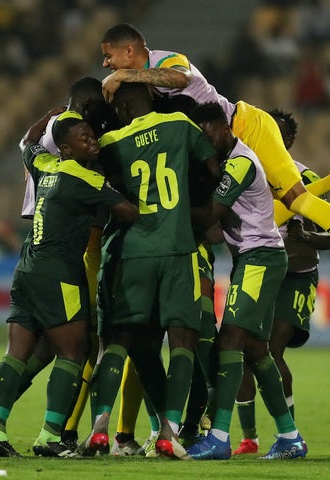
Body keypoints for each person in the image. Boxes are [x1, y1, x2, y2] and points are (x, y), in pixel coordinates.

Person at [99, 23, 330, 304]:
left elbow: (181, 78)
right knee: (266, 215)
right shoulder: (146, 86)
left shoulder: (165, 60)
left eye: (108, 56)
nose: (106, 64)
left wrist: (126, 76)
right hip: (225, 148)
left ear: (128, 51)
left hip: (246, 127)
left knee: (296, 200)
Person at [0, 108, 138, 458]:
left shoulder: (45, 167)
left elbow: (28, 142)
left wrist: (52, 114)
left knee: (16, 354)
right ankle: (49, 436)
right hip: (60, 275)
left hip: (26, 270)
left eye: (92, 135)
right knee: (73, 354)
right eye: (84, 137)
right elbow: (129, 213)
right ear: (65, 147)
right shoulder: (88, 181)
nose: (92, 141)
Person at [76, 82, 219, 460]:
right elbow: (212, 168)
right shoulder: (179, 125)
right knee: (183, 341)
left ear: (121, 108)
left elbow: (100, 189)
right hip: (178, 248)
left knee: (117, 341)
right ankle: (168, 433)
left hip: (130, 251)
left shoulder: (109, 144)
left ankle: (100, 431)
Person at [186, 102, 306, 460]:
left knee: (229, 341)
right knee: (256, 350)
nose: (205, 141)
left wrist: (165, 208)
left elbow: (211, 215)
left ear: (225, 128)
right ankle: (290, 438)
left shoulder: (240, 162)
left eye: (208, 132)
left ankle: (219, 437)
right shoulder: (227, 161)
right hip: (251, 257)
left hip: (260, 258)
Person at [233, 109, 330, 455]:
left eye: (277, 135)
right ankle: (249, 438)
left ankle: (288, 433)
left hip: (297, 275)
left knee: (271, 350)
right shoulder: (244, 168)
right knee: (243, 351)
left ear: (288, 141)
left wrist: (305, 235)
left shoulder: (305, 178)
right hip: (258, 270)